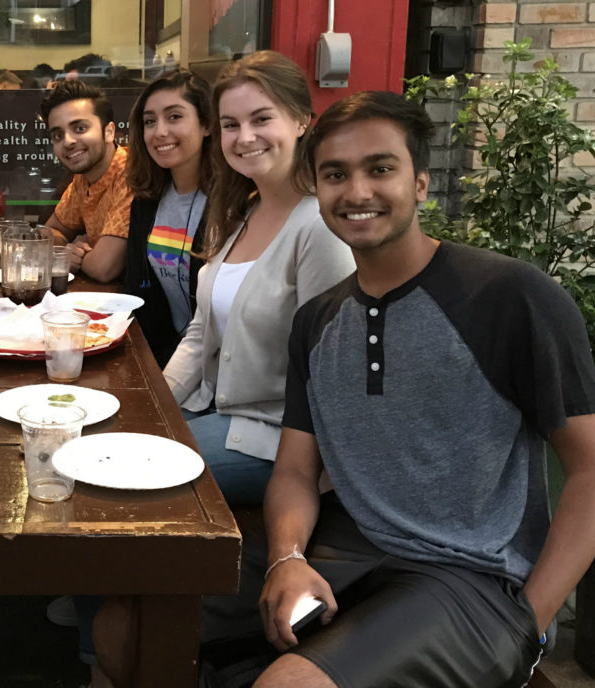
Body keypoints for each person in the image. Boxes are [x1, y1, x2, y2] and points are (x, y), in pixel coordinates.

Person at [250, 91, 595, 688]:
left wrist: (530, 620)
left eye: (380, 168)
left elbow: (591, 469)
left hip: (476, 578)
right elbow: (295, 472)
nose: (356, 192)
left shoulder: (511, 298)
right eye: (335, 175)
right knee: (131, 612)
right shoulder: (317, 321)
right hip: (349, 551)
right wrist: (288, 557)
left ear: (421, 184)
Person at [162, 52, 354, 504]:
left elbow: (330, 370)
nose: (244, 137)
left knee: (131, 476)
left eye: (261, 119)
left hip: (277, 443)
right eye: (230, 124)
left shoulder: (320, 228)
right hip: (214, 414)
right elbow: (200, 330)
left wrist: (307, 479)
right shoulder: (239, 210)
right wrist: (155, 404)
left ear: (303, 121)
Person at [122, 71, 213, 368]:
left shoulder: (230, 204)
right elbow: (138, 291)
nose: (159, 132)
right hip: (166, 359)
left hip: (217, 370)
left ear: (207, 124)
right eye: (150, 121)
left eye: (174, 117)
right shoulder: (147, 201)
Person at [41, 79, 133, 283]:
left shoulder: (131, 174)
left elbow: (103, 268)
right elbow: (47, 233)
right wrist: (65, 249)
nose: (68, 141)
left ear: (109, 132)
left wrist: (72, 255)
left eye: (80, 128)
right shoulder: (83, 178)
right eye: (57, 135)